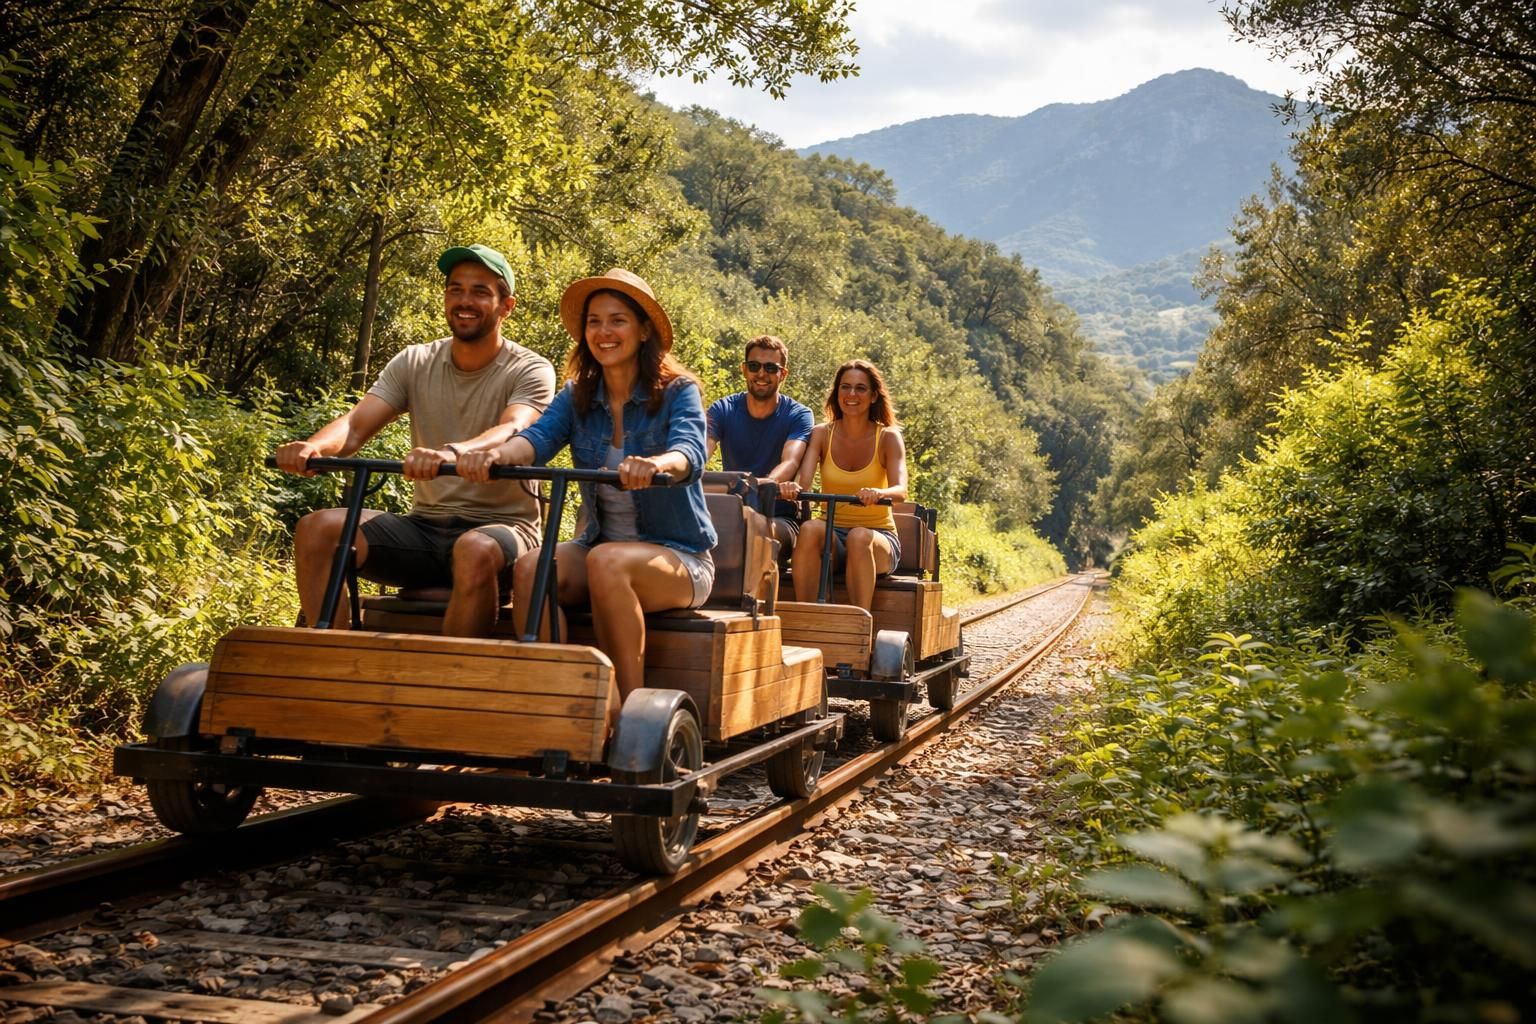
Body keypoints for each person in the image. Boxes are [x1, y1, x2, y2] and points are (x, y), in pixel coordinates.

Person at [458, 268, 716, 713]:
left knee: (608, 562)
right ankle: (561, 698)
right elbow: (536, 440)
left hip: (679, 555)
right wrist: (498, 455)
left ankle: (626, 710)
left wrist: (656, 464)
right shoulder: (578, 394)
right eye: (594, 321)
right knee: (531, 568)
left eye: (617, 320)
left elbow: (690, 452)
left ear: (643, 329)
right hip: (601, 545)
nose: (603, 332)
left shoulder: (679, 391)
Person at [274, 244, 556, 637]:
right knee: (316, 529)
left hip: (504, 530)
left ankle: (447, 684)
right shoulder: (416, 361)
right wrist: (313, 447)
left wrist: (453, 453)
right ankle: (332, 663)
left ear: (506, 306)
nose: (464, 301)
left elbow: (515, 427)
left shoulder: (529, 368)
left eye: (479, 291)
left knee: (474, 550)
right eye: (455, 289)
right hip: (423, 531)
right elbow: (356, 425)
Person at [783, 359, 908, 612]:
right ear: (837, 393)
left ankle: (860, 624)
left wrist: (879, 493)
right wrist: (792, 488)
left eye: (860, 388)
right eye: (845, 387)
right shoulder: (821, 433)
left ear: (873, 396)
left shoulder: (887, 437)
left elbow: (900, 490)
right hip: (834, 535)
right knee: (808, 529)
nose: (852, 394)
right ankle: (806, 617)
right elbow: (804, 482)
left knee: (858, 536)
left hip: (877, 536)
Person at [705, 335, 814, 559]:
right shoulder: (723, 409)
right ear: (744, 370)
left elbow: (790, 461)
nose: (761, 374)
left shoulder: (798, 415)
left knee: (756, 533)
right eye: (754, 366)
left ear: (782, 374)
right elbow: (701, 450)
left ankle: (750, 594)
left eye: (770, 368)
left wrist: (766, 484)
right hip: (731, 514)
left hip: (779, 517)